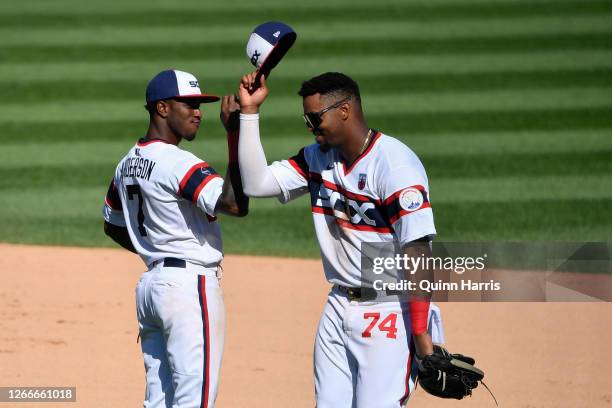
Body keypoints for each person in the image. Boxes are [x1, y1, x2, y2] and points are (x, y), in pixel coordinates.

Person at [236, 71, 445, 407]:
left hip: (389, 309)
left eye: (315, 117)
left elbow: (418, 252)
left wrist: (422, 338)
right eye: (306, 118)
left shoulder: (394, 165)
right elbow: (256, 184)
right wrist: (249, 113)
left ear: (344, 111)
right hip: (337, 306)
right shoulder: (317, 159)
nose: (310, 125)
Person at [102, 69, 247, 408]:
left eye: (200, 105)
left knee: (159, 400)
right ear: (162, 108)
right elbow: (233, 204)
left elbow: (112, 223)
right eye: (189, 104)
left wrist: (153, 248)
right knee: (193, 399)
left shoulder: (128, 162)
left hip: (152, 288)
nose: (198, 112)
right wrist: (236, 136)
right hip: (186, 288)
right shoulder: (178, 162)